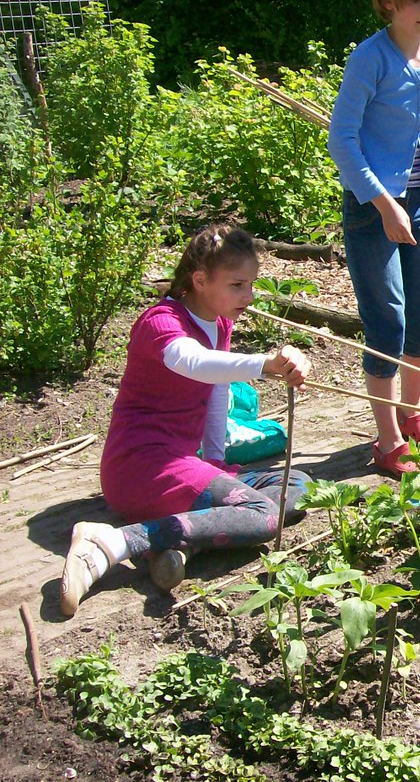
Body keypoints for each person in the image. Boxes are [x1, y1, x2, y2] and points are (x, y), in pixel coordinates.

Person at [60, 225, 312, 617]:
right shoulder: (162, 322)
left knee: (297, 485)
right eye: (237, 285)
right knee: (263, 516)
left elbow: (215, 393)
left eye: (252, 285)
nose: (248, 296)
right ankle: (112, 542)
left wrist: (213, 462)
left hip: (183, 463)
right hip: (142, 467)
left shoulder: (220, 322)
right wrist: (264, 365)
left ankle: (181, 541)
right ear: (199, 279)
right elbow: (191, 363)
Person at [327, 0, 420, 476]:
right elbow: (343, 140)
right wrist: (382, 203)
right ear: (388, 0)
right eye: (417, 1)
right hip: (371, 205)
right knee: (388, 322)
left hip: (419, 199)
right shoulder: (369, 57)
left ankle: (411, 414)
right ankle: (385, 440)